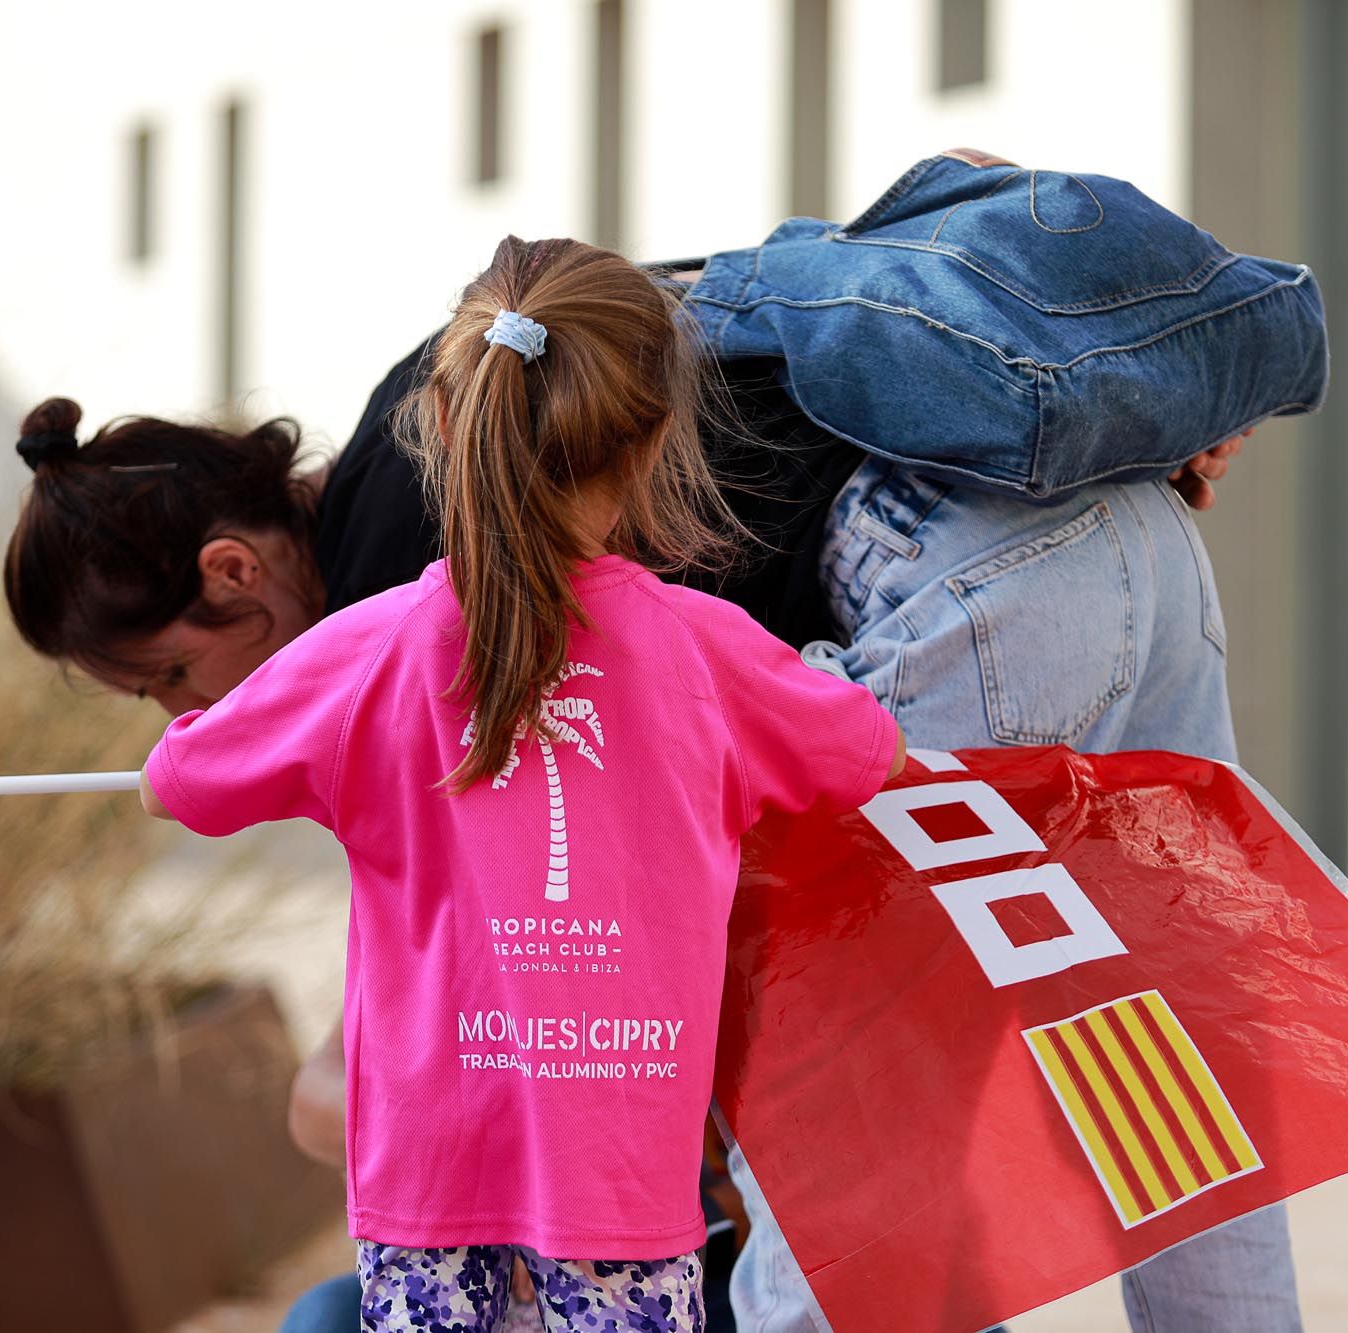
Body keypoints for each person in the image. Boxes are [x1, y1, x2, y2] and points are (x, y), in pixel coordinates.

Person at [3, 218, 1298, 1333]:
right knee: (1167, 1041)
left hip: (953, 578)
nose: (195, 706)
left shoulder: (409, 587)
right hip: (1124, 524)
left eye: (170, 678)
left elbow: (538, 931)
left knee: (833, 1144)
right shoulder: (536, 372)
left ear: (233, 571)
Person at [130, 236, 906, 1332]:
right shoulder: (704, 652)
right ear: (649, 447)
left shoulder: (368, 653)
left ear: (442, 424)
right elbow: (867, 754)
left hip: (424, 1175)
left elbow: (178, 782)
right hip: (623, 1177)